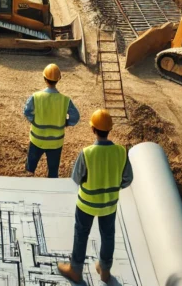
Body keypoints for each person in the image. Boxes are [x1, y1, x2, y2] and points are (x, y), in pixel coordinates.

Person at [58, 109, 133, 285]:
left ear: (93, 130)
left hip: (86, 204)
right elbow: (128, 179)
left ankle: (75, 270)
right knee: (108, 235)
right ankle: (105, 271)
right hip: (109, 204)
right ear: (110, 130)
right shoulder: (121, 152)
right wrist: (113, 187)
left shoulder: (87, 153)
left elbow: (76, 177)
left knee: (81, 234)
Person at [23, 64, 80, 178]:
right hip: (55, 142)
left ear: (44, 79)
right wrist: (66, 123)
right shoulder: (65, 100)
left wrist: (34, 121)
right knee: (53, 172)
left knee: (30, 169)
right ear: (59, 79)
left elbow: (27, 112)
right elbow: (75, 117)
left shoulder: (36, 97)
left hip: (37, 140)